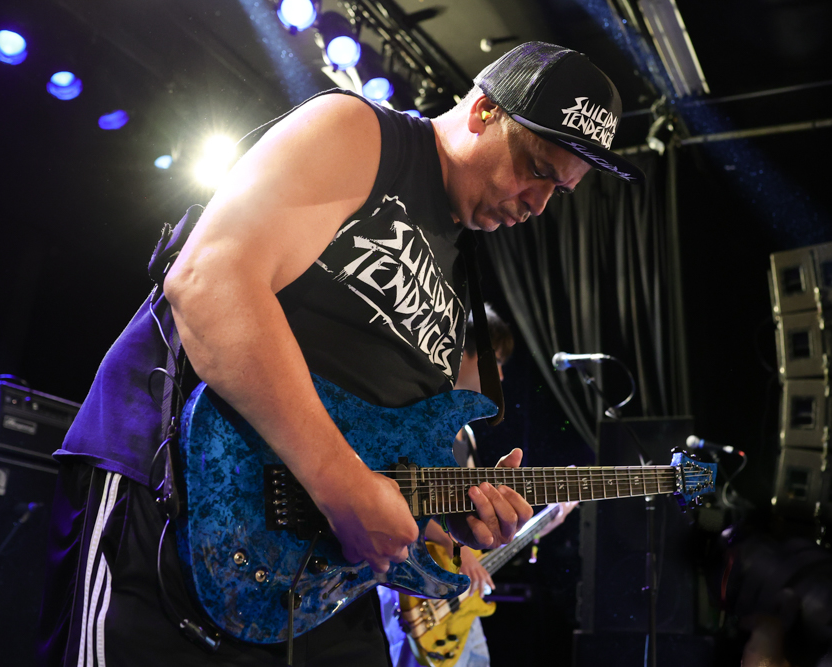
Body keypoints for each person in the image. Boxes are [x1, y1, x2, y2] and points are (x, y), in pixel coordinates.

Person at [38, 41, 641, 667]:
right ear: (484, 110)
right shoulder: (361, 133)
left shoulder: (460, 270)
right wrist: (341, 480)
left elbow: (378, 445)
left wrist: (447, 512)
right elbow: (208, 282)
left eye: (560, 190)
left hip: (312, 577)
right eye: (538, 168)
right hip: (171, 497)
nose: (539, 203)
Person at [379, 306, 577, 667]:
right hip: (417, 591)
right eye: (495, 360)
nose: (500, 374)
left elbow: (471, 521)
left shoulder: (466, 435)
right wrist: (455, 546)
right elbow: (395, 501)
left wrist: (540, 523)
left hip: (461, 603)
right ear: (461, 353)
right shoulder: (414, 422)